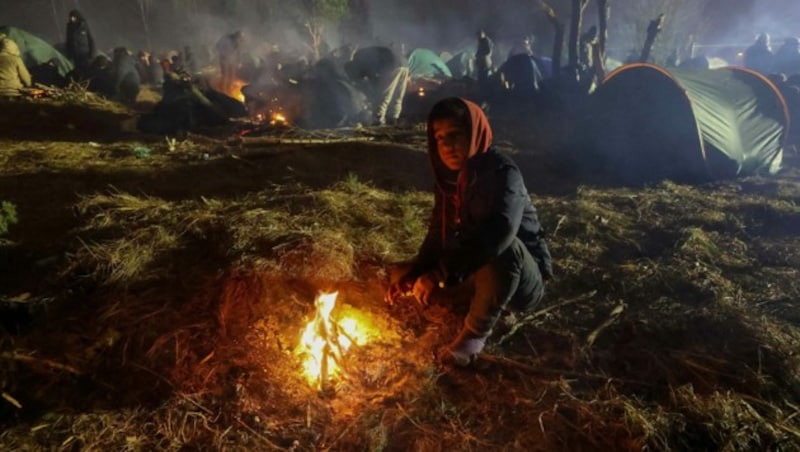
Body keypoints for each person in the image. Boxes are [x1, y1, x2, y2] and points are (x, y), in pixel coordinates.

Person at [385, 97, 553, 366]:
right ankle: (475, 300)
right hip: (473, 270)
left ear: (474, 132)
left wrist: (440, 273)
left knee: (503, 247)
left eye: (455, 135)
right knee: (400, 273)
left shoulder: (502, 172)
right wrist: (418, 272)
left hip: (520, 280)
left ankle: (473, 338)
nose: (447, 145)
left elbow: (499, 233)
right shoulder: (449, 180)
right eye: (439, 138)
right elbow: (437, 235)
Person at [345, 45, 409, 125]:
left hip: (391, 64)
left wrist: (373, 92)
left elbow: (372, 77)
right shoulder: (361, 55)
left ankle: (378, 121)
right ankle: (393, 119)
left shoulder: (359, 59)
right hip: (404, 64)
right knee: (397, 95)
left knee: (384, 96)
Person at [65, 9, 95, 75]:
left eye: (73, 17)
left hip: (84, 53)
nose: (72, 19)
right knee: (78, 70)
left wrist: (92, 53)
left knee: (86, 70)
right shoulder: (69, 26)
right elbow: (68, 41)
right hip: (75, 53)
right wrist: (69, 54)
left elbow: (90, 39)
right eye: (71, 17)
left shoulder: (84, 25)